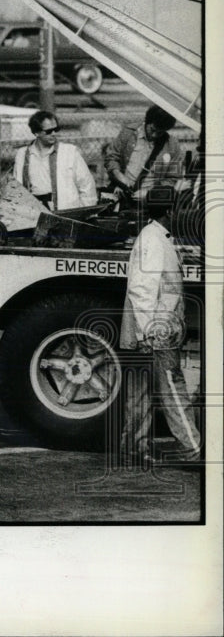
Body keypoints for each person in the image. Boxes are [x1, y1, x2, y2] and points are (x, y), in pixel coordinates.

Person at [119, 185, 201, 467]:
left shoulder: (155, 236)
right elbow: (142, 289)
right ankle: (191, 450)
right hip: (156, 330)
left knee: (140, 392)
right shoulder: (153, 240)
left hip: (149, 329)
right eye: (177, 207)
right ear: (169, 211)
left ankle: (133, 448)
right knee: (173, 389)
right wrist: (148, 332)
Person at [12, 111, 97, 210]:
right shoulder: (22, 154)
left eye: (56, 129)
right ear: (36, 133)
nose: (54, 133)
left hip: (65, 213)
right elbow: (17, 188)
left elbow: (86, 185)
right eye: (49, 131)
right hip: (33, 212)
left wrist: (85, 212)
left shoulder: (70, 152)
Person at [104, 105, 184, 203]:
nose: (154, 135)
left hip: (148, 201)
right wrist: (119, 176)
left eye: (160, 133)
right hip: (120, 193)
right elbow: (112, 157)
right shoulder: (128, 133)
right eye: (152, 130)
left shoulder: (172, 146)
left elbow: (172, 178)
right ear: (147, 122)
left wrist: (149, 193)